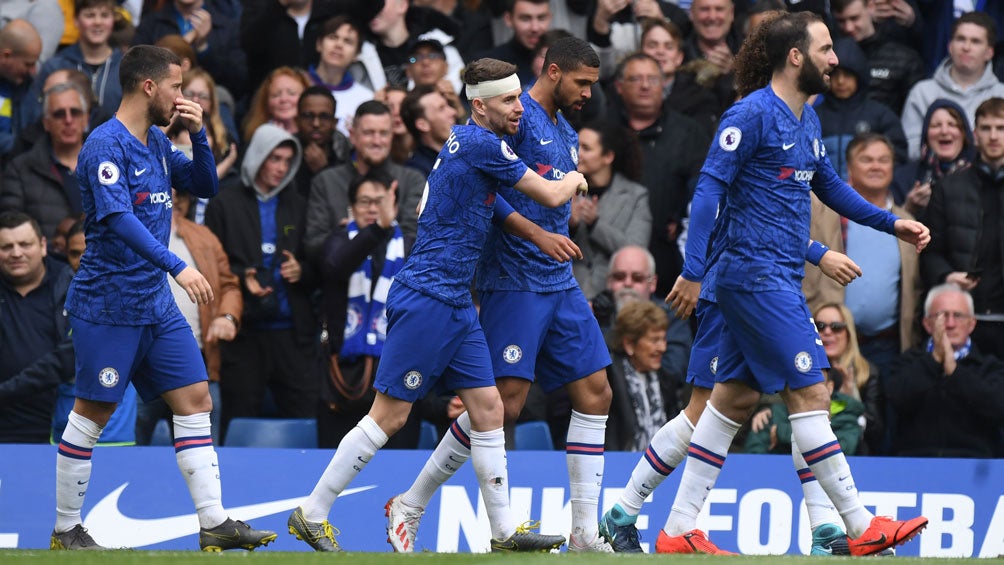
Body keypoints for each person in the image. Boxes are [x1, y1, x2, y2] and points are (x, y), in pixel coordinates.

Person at [286, 57, 584, 553]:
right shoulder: (482, 144)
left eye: (518, 97)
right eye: (509, 100)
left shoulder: (469, 143)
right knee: (390, 417)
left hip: (456, 300)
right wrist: (575, 179)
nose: (519, 108)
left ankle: (504, 532)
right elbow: (552, 195)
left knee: (489, 409)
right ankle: (312, 511)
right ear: (480, 104)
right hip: (428, 296)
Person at [659, 11, 929, 555]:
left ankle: (676, 529)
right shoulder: (751, 114)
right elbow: (708, 193)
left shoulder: (806, 119)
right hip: (754, 276)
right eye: (827, 49)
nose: (837, 59)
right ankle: (858, 525)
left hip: (775, 274)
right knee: (811, 391)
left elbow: (830, 186)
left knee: (730, 402)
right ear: (796, 56)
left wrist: (889, 220)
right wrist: (692, 269)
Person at [385, 36, 615, 554]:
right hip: (513, 279)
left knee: (596, 392)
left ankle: (583, 533)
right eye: (582, 83)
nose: (588, 94)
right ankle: (412, 500)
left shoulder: (565, 130)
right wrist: (536, 233)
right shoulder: (517, 118)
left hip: (558, 281)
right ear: (554, 72)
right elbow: (485, 195)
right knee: (503, 405)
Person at [51, 45, 275, 551]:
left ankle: (214, 522)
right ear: (149, 87)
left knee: (196, 399)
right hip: (108, 305)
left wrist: (197, 136)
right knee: (93, 413)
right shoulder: (104, 145)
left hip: (154, 304)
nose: (184, 95)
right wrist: (177, 264)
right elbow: (116, 219)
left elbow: (204, 185)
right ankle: (66, 528)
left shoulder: (155, 140)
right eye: (177, 86)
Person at [204, 123, 320, 437]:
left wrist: (301, 271)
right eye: (274, 158)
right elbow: (212, 267)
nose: (281, 168)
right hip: (244, 335)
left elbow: (318, 264)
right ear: (257, 157)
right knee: (238, 417)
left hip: (292, 334)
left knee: (305, 417)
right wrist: (243, 279)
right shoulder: (223, 204)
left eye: (286, 160)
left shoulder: (298, 204)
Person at [803, 133, 922, 378]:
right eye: (866, 159)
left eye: (883, 160)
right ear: (849, 168)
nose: (876, 166)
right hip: (827, 339)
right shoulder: (819, 209)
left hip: (887, 346)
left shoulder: (906, 222)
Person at [316, 170, 418, 448]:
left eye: (380, 201)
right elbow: (336, 266)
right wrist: (377, 229)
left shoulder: (410, 246)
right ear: (351, 207)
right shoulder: (338, 240)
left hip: (394, 373)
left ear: (394, 205)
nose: (373, 208)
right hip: (343, 376)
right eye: (364, 202)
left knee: (395, 466)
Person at [134, 189, 241, 446]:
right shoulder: (120, 233)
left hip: (196, 362)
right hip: (135, 365)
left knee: (202, 454)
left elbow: (228, 285)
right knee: (127, 453)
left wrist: (227, 316)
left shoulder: (202, 236)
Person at [921, 96, 1004, 361]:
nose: (993, 136)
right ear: (975, 134)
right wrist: (947, 276)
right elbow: (929, 252)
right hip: (964, 318)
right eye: (986, 128)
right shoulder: (948, 187)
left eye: (1001, 128)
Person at [885, 283, 1004, 458]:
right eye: (942, 316)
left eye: (958, 315)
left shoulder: (990, 366)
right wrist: (934, 360)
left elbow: (997, 408)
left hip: (975, 463)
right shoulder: (907, 361)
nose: (950, 324)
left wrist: (954, 372)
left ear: (971, 324)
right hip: (913, 462)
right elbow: (895, 399)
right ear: (927, 324)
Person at [305, 100, 427, 254]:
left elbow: (415, 239)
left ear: (392, 135)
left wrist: (358, 234)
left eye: (383, 133)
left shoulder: (412, 180)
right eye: (368, 133)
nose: (377, 141)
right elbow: (313, 245)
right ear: (352, 135)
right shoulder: (326, 181)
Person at [0, 211, 73, 443]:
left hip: (59, 425)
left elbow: (70, 357)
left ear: (43, 245)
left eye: (24, 244)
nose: (16, 253)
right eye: (6, 247)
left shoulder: (72, 287)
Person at [901, 12, 1004, 161]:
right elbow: (909, 149)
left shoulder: (1001, 94)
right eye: (960, 39)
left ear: (989, 52)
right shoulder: (922, 92)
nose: (966, 47)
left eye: (975, 41)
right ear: (950, 46)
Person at [571, 119, 651, 299]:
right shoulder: (565, 188)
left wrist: (595, 225)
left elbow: (637, 251)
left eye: (586, 148)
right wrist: (571, 227)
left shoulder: (635, 196)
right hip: (570, 292)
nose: (577, 153)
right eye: (576, 146)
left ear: (608, 157)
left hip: (613, 297)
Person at [0, 82, 88, 241]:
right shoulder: (20, 170)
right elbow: (11, 228)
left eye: (75, 112)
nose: (68, 120)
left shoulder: (108, 164)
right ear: (46, 123)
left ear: (86, 118)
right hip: (45, 261)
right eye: (59, 114)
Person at [132, 0, 247, 99]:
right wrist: (182, 44)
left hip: (209, 104)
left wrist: (203, 48)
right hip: (159, 99)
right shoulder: (151, 24)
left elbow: (238, 83)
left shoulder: (227, 26)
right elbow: (135, 69)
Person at [30, 0, 123, 122]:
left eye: (105, 15)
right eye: (90, 15)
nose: (98, 22)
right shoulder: (55, 67)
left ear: (113, 20)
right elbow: (35, 115)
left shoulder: (126, 67)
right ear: (76, 20)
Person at [606, 299, 680, 451]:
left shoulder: (665, 379)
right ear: (629, 344)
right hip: (618, 464)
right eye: (654, 340)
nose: (662, 348)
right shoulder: (609, 378)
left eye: (663, 339)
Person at [829, 0, 924, 116]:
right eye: (841, 21)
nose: (848, 27)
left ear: (871, 7)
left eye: (854, 18)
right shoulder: (829, 57)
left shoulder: (903, 57)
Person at [812, 302, 884, 454]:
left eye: (836, 327)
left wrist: (852, 398)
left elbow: (877, 433)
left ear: (849, 333)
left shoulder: (868, 372)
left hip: (857, 457)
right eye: (820, 326)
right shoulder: (802, 368)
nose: (827, 332)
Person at [745, 365, 864, 455]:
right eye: (804, 379)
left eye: (816, 381)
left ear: (830, 387)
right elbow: (752, 457)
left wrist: (782, 432)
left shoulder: (847, 416)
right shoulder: (775, 413)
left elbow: (841, 451)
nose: (809, 386)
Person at [892, 98, 974, 217]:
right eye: (936, 125)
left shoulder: (981, 176)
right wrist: (908, 209)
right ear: (926, 135)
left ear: (964, 134)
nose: (944, 131)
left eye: (952, 124)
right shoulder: (903, 178)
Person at [307, 15, 374, 138]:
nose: (339, 45)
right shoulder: (297, 85)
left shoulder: (366, 98)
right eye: (333, 37)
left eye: (348, 41)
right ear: (319, 44)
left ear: (357, 54)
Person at [294, 85, 350, 197]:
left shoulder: (345, 153)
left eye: (324, 117)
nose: (316, 124)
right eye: (308, 116)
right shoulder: (285, 154)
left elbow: (344, 202)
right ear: (297, 121)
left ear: (335, 122)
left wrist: (324, 171)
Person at [479, 0, 552, 86]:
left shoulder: (562, 60)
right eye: (525, 19)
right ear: (508, 19)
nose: (534, 28)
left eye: (541, 18)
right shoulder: (487, 65)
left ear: (550, 18)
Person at [0, 19, 42, 161]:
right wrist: (22, 146)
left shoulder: (28, 84)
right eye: (28, 64)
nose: (33, 71)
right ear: (6, 56)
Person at [400, 84, 458, 177]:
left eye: (448, 105)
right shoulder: (417, 173)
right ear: (423, 125)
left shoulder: (469, 156)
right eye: (441, 109)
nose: (453, 112)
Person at [241, 66, 311, 144]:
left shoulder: (316, 137)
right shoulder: (256, 140)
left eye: (292, 93)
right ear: (266, 102)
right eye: (275, 95)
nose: (283, 99)